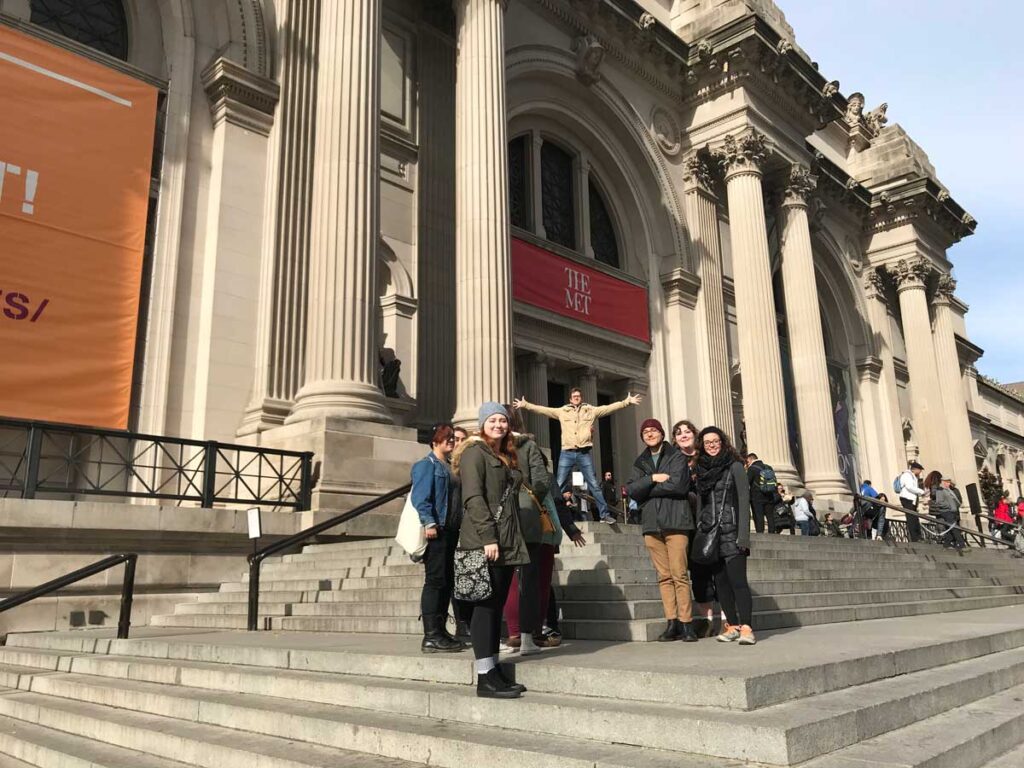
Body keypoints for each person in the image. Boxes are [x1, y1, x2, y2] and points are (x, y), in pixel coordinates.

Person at [453, 402, 531, 699]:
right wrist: (488, 537)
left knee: (495, 606)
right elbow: (473, 498)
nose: (499, 424)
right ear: (482, 424)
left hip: (506, 540)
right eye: (493, 420)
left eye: (503, 420)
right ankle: (485, 677)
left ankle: (494, 670)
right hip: (485, 540)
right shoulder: (474, 453)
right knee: (485, 608)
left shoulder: (503, 453)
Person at [514, 389, 642, 523]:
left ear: (581, 398)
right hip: (567, 453)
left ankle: (604, 515)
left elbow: (608, 408)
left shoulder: (590, 410)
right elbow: (544, 410)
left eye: (578, 396)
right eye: (574, 396)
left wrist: (626, 402)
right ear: (570, 399)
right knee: (559, 484)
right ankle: (547, 512)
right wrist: (525, 405)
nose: (576, 398)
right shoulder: (563, 411)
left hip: (583, 453)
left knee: (594, 484)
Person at [626, 419, 697, 642]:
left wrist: (646, 489)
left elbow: (679, 486)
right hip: (651, 524)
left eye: (653, 430)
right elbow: (631, 489)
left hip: (676, 521)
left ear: (662, 433)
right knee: (664, 577)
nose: (649, 434)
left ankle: (687, 624)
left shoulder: (676, 456)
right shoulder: (641, 461)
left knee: (679, 574)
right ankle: (672, 622)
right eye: (645, 431)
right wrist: (653, 478)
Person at [697, 427, 755, 645]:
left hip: (732, 532)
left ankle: (747, 627)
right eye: (707, 442)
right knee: (721, 584)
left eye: (715, 441)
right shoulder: (702, 470)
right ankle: (732, 625)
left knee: (738, 582)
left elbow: (743, 500)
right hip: (712, 534)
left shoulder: (735, 466)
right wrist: (701, 528)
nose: (711, 445)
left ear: (722, 442)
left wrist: (743, 536)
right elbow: (701, 504)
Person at [502, 408, 551, 656]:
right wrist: (530, 501)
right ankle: (527, 637)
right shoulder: (529, 446)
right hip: (527, 516)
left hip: (500, 518)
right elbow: (542, 482)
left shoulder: (489, 448)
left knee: (506, 579)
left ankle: (510, 633)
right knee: (529, 579)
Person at [411, 423, 463, 653]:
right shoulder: (426, 465)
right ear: (434, 440)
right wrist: (428, 522)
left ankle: (441, 631)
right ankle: (431, 635)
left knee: (447, 581)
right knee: (435, 581)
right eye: (446, 437)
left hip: (451, 530)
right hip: (437, 530)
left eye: (452, 437)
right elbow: (420, 497)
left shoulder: (450, 466)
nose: (450, 440)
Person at [673, 419, 719, 638]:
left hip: (710, 520)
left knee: (717, 569)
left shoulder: (706, 457)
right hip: (686, 522)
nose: (683, 435)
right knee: (698, 572)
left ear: (695, 434)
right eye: (678, 433)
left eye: (687, 431)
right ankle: (707, 620)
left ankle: (727, 619)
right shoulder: (673, 460)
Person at [450, 425, 473, 640]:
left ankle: (470, 620)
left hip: (470, 527)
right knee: (455, 578)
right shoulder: (445, 467)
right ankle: (462, 622)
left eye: (461, 439)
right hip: (452, 527)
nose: (458, 443)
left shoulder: (471, 464)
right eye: (454, 439)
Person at [928, 474, 966, 550]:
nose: (949, 484)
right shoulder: (940, 490)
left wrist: (957, 504)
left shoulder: (948, 490)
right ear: (943, 482)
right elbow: (939, 502)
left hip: (952, 511)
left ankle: (946, 544)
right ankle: (962, 545)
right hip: (946, 511)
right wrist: (949, 506)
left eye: (949, 482)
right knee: (954, 527)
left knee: (951, 528)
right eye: (947, 482)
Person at [745, 453, 781, 534]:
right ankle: (772, 532)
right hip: (769, 495)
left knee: (759, 515)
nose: (747, 463)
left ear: (751, 459)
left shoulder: (752, 468)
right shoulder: (768, 467)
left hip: (757, 496)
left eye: (747, 461)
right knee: (770, 515)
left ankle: (760, 532)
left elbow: (747, 482)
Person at [896, 462, 925, 542]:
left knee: (914, 517)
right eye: (920, 470)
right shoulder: (907, 475)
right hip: (907, 499)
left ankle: (918, 536)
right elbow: (909, 487)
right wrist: (921, 492)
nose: (920, 472)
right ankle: (914, 537)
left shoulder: (912, 476)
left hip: (912, 499)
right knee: (911, 518)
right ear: (915, 469)